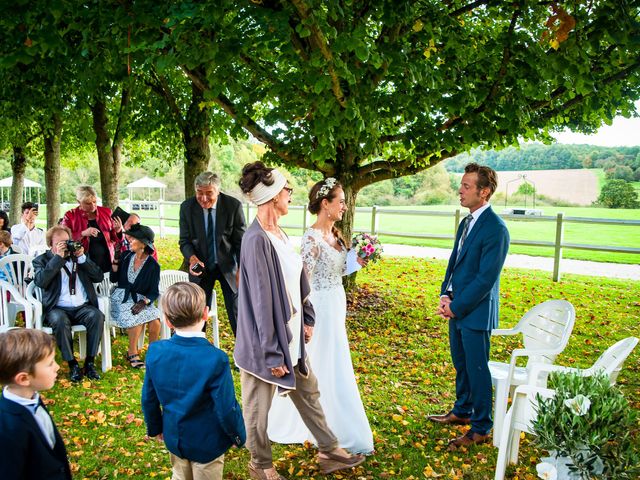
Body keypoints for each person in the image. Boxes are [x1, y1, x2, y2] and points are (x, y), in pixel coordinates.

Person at [234, 162, 365, 480]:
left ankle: (330, 449)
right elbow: (263, 303)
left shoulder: (278, 232)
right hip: (266, 343)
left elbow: (296, 279)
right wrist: (273, 352)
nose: (291, 194)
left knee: (308, 390)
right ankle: (260, 466)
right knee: (257, 408)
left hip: (290, 335)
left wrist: (307, 315)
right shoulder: (255, 241)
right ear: (272, 196)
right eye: (286, 189)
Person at [268, 178, 374, 454]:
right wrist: (304, 316)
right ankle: (308, 421)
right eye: (340, 201)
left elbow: (335, 271)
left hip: (336, 302)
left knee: (335, 358)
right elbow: (303, 280)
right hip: (319, 307)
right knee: (316, 359)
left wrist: (355, 263)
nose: (344, 206)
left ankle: (330, 418)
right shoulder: (312, 238)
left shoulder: (335, 235)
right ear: (325, 204)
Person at [428, 162, 510, 449]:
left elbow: (485, 279)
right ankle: (462, 411)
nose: (459, 190)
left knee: (477, 369)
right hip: (457, 308)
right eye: (461, 184)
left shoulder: (496, 229)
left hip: (476, 313)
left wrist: (457, 306)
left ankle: (481, 427)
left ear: (484, 192)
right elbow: (456, 263)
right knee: (461, 365)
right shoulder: (466, 222)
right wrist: (446, 294)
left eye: (466, 186)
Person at [142, 282, 246, 480]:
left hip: (174, 437)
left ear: (167, 321)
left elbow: (149, 398)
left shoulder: (155, 351)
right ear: (206, 313)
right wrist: (237, 435)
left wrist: (155, 428)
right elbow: (226, 407)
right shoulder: (216, 358)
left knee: (180, 476)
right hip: (208, 442)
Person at [33, 225, 105, 382]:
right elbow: (40, 282)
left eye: (67, 241)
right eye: (60, 243)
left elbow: (98, 277)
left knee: (97, 316)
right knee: (59, 320)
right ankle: (72, 364)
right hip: (57, 308)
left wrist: (82, 259)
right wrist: (58, 258)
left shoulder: (79, 256)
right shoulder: (41, 260)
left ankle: (90, 362)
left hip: (82, 307)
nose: (65, 245)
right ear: (50, 244)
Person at [179, 171, 246, 336]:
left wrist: (241, 269)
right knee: (196, 315)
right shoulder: (187, 207)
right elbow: (184, 241)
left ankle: (244, 359)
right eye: (199, 193)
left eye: (209, 193)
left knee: (237, 314)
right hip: (201, 267)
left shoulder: (233, 206)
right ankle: (197, 354)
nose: (203, 198)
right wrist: (191, 257)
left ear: (218, 191)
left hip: (228, 267)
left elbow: (241, 243)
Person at [0, 328, 72, 480]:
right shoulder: (9, 429)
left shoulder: (32, 399)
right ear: (24, 379)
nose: (58, 367)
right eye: (50, 363)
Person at [110, 224, 161, 369]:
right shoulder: (126, 256)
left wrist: (144, 302)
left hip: (140, 299)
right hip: (121, 298)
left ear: (143, 244)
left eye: (134, 239)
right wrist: (115, 261)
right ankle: (132, 352)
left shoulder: (153, 266)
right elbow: (113, 278)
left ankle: (153, 354)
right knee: (135, 316)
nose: (130, 241)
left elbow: (153, 291)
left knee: (155, 321)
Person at [61, 185, 122, 273]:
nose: (93, 205)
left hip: (107, 260)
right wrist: (82, 233)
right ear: (79, 202)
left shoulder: (106, 212)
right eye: (88, 203)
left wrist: (118, 231)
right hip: (83, 262)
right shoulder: (70, 215)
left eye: (94, 201)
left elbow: (115, 240)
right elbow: (63, 239)